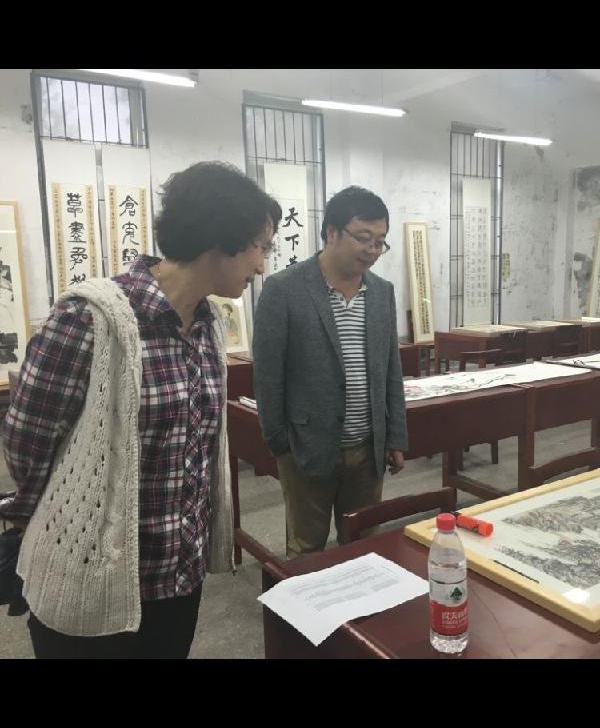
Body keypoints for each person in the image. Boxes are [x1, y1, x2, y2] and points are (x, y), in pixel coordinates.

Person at [0, 161, 281, 658]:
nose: (262, 266)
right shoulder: (88, 319)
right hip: (91, 579)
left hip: (175, 578)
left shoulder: (208, 324)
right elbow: (27, 446)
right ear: (222, 239)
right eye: (261, 247)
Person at [253, 185, 407, 557]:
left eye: (380, 242)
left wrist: (395, 437)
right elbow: (268, 375)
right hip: (307, 447)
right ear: (332, 233)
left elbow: (391, 369)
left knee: (365, 544)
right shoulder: (283, 289)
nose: (372, 250)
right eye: (364, 238)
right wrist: (281, 445)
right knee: (307, 550)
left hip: (368, 449)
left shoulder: (381, 292)